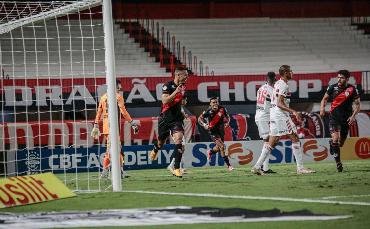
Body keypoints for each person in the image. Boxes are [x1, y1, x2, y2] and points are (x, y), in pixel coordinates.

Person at [251, 65, 315, 175]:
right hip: (280, 115)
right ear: (285, 73)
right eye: (290, 71)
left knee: (273, 141)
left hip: (273, 114)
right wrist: (293, 111)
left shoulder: (277, 83)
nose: (292, 72)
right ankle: (300, 168)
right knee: (294, 137)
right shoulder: (283, 85)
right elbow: (279, 103)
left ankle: (257, 167)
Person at [91, 79, 139, 178]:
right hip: (113, 128)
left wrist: (96, 124)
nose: (120, 88)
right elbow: (123, 112)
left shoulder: (103, 97)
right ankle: (105, 171)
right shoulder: (118, 97)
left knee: (118, 149)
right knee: (111, 150)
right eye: (119, 87)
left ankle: (120, 171)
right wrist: (132, 122)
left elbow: (99, 112)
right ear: (115, 86)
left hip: (106, 128)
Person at [149, 67, 188, 178]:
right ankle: (156, 149)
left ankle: (176, 168)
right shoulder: (167, 86)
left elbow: (182, 102)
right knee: (161, 142)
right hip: (165, 118)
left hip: (177, 119)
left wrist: (182, 109)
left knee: (179, 139)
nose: (187, 77)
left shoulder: (183, 86)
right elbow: (165, 101)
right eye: (185, 75)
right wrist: (176, 92)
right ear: (178, 75)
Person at [320, 70, 360, 172]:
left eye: (341, 78)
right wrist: (322, 109)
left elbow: (358, 105)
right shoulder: (332, 87)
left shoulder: (352, 89)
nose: (339, 79)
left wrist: (353, 116)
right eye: (338, 77)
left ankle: (332, 144)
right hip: (334, 118)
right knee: (336, 138)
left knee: (340, 143)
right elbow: (324, 99)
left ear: (347, 79)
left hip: (346, 119)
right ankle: (338, 163)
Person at [198, 97, 234, 171]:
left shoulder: (222, 109)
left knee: (218, 148)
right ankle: (229, 166)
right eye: (213, 102)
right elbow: (199, 119)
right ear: (210, 104)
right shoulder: (208, 111)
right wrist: (204, 124)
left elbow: (228, 117)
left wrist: (227, 122)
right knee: (222, 147)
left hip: (221, 131)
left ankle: (210, 152)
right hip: (212, 131)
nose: (215, 104)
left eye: (216, 102)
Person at [254, 72, 277, 173]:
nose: (273, 80)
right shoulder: (271, 90)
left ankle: (265, 167)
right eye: (273, 79)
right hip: (264, 116)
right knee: (269, 141)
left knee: (267, 141)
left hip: (260, 115)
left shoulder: (261, 88)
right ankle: (263, 167)